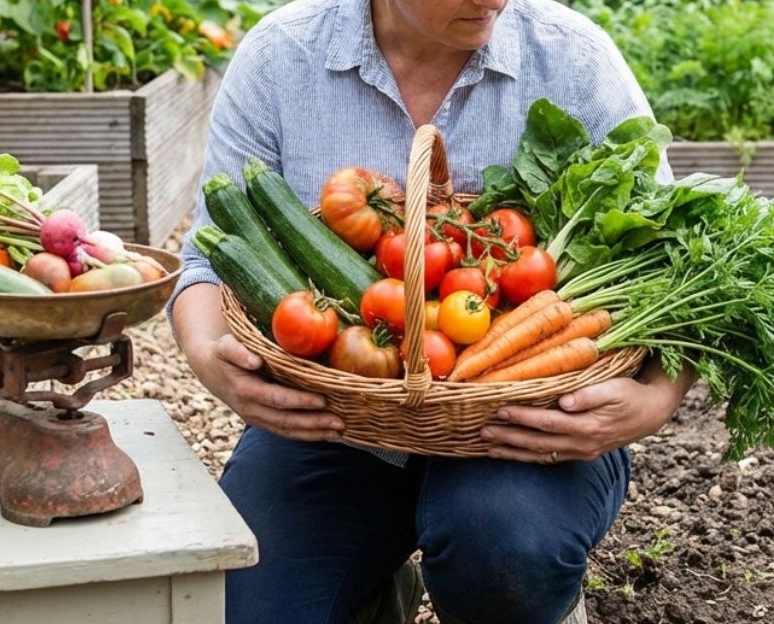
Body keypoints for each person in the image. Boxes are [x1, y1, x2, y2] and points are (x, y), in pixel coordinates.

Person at [168, 0, 697, 622]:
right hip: (337, 420)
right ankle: (377, 590)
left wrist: (658, 399)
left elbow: (672, 262)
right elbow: (206, 262)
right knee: (244, 602)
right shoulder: (282, 57)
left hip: (525, 423)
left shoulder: (572, 60)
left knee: (505, 557)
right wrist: (211, 359)